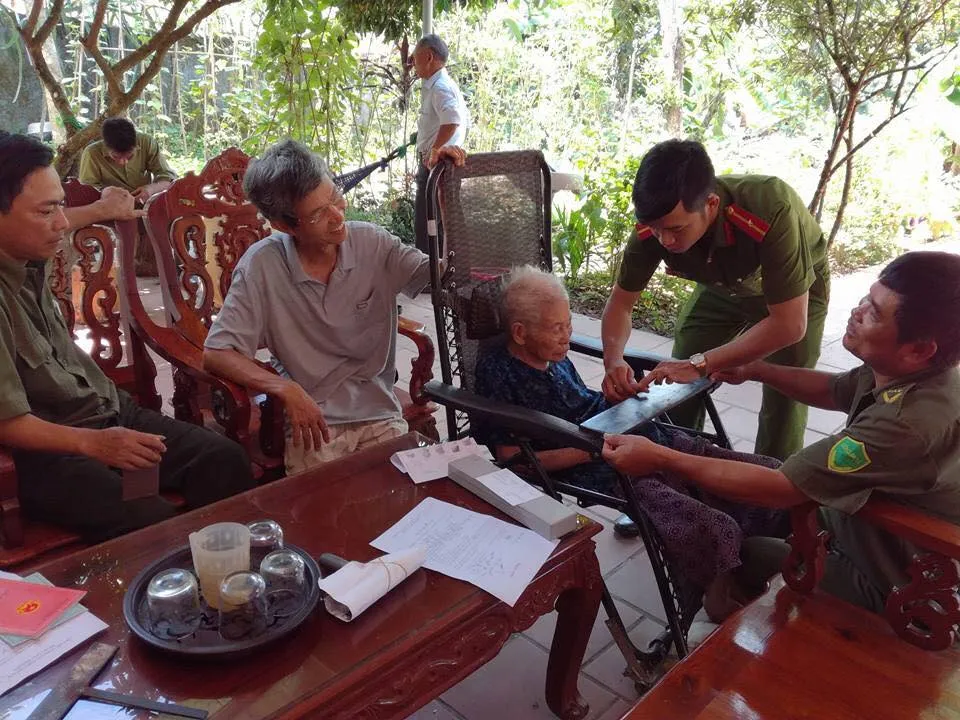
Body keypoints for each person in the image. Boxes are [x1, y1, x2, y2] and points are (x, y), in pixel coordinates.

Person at [602, 251, 960, 614]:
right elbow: (835, 389)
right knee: (742, 497)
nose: (858, 310)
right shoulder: (915, 372)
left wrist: (660, 457)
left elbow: (781, 488)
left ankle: (712, 634)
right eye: (867, 297)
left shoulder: (906, 425)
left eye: (875, 313)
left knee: (744, 556)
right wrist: (757, 370)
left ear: (919, 349)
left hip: (897, 583)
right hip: (867, 530)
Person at [474, 266, 789, 621]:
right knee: (713, 524)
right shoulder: (498, 373)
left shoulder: (550, 357)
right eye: (557, 328)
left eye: (569, 324)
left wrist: (617, 393)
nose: (567, 336)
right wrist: (588, 449)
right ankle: (718, 600)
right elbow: (513, 458)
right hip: (604, 463)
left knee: (766, 473)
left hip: (626, 435)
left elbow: (581, 402)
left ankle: (758, 566)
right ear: (520, 333)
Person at [0, 132, 255, 541]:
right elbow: (9, 422)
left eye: (61, 205)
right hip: (48, 451)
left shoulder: (29, 254)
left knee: (223, 460)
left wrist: (102, 208)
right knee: (151, 523)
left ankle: (227, 570)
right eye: (47, 211)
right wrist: (94, 445)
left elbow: (63, 220)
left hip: (109, 411)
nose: (62, 222)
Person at [202, 141, 463, 474]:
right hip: (314, 422)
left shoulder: (372, 243)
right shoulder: (262, 266)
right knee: (323, 503)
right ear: (285, 226)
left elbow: (447, 277)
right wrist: (286, 389)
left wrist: (447, 200)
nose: (338, 216)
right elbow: (217, 352)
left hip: (379, 411)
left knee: (407, 495)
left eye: (335, 196)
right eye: (317, 214)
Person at [601, 139, 830, 464]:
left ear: (711, 204)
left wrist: (703, 363)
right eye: (655, 229)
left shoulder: (769, 206)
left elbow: (789, 324)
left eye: (676, 229)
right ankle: (675, 466)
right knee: (679, 374)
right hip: (722, 288)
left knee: (785, 386)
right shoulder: (654, 227)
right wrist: (613, 361)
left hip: (795, 292)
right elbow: (621, 303)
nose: (665, 240)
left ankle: (773, 481)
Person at [411, 34, 470, 255]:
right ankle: (439, 266)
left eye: (415, 58)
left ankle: (429, 268)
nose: (413, 64)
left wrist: (434, 149)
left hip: (438, 163)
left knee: (427, 222)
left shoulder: (440, 87)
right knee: (437, 221)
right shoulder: (439, 84)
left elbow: (452, 121)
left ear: (428, 57)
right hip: (438, 161)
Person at [78, 117, 176, 203]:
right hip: (110, 206)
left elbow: (168, 178)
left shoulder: (146, 142)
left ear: (136, 145)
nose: (123, 162)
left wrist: (151, 189)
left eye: (130, 156)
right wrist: (107, 192)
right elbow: (87, 190)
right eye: (116, 157)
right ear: (106, 147)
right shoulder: (92, 153)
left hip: (145, 203)